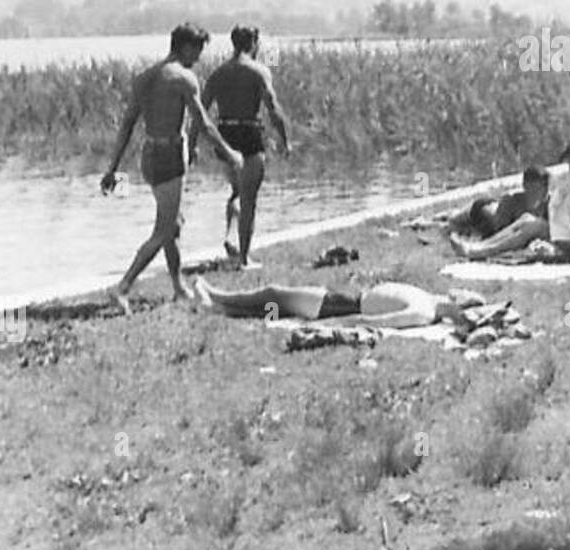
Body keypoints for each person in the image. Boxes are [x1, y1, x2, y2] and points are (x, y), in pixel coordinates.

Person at [100, 23, 243, 311]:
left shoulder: (145, 78)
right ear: (187, 47)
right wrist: (230, 153)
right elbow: (203, 123)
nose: (200, 57)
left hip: (149, 156)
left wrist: (112, 168)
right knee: (165, 228)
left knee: (173, 222)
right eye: (199, 50)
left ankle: (179, 288)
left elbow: (127, 124)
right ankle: (123, 287)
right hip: (169, 156)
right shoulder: (183, 78)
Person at [198, 25, 290, 268]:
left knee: (237, 191)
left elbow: (201, 110)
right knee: (249, 198)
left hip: (225, 133)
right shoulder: (259, 71)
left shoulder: (218, 73)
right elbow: (273, 108)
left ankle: (230, 236)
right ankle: (244, 258)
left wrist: (193, 142)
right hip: (249, 132)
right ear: (254, 43)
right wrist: (284, 140)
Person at [195, 277, 462, 325]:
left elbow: (379, 321)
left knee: (274, 296)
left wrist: (338, 323)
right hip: (344, 299)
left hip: (341, 307)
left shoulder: (424, 311)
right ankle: (220, 308)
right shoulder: (429, 299)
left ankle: (218, 300)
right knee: (278, 308)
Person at [446, 166, 550, 240]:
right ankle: (448, 214)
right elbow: (499, 230)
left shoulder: (549, 203)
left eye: (545, 186)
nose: (542, 191)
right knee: (454, 219)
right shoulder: (511, 200)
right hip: (482, 210)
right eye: (537, 187)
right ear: (525, 186)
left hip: (494, 209)